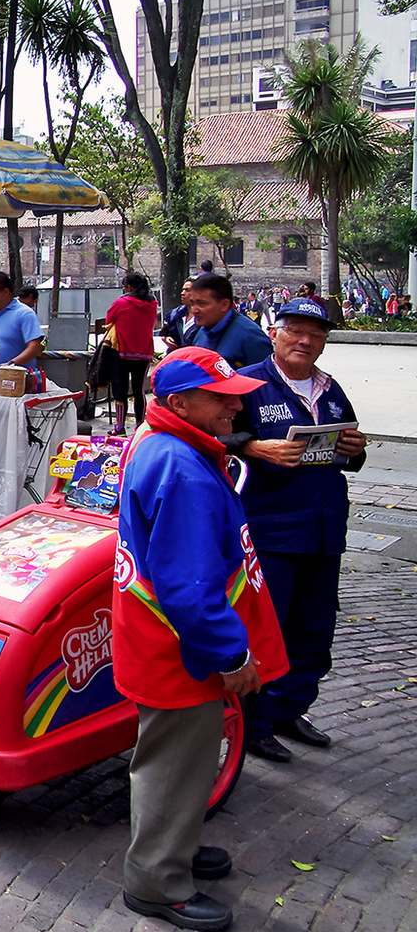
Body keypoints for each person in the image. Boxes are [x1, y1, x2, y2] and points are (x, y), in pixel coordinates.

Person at [113, 346, 286, 932]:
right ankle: (157, 883)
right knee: (173, 765)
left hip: (161, 640)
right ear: (181, 401)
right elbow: (190, 588)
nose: (237, 407)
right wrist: (231, 653)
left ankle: (171, 850)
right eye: (222, 397)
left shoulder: (159, 439)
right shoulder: (182, 467)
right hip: (178, 649)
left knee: (174, 762)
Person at [229, 297, 366, 764]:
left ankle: (289, 709)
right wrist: (254, 447)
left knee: (313, 631)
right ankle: (255, 723)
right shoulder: (247, 384)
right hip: (271, 530)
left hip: (325, 528)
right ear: (274, 333)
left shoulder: (330, 389)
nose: (306, 341)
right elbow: (212, 437)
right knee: (268, 629)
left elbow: (352, 457)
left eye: (317, 334)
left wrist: (356, 446)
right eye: (295, 331)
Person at [106, 272, 159, 435]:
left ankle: (120, 427)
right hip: (144, 353)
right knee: (139, 390)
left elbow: (108, 320)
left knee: (120, 389)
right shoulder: (152, 304)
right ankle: (139, 426)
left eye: (124, 285)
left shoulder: (121, 303)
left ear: (129, 287)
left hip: (123, 352)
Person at [184, 273, 272, 369]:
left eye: (202, 304)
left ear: (224, 305)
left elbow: (266, 379)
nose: (194, 310)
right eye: (192, 303)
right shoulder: (200, 331)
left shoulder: (250, 337)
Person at [0, 272, 44, 372]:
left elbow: (35, 347)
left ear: (5, 292)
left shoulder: (25, 314)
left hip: (19, 381)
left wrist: (11, 365)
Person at [160, 279, 196, 351]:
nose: (182, 293)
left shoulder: (206, 317)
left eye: (187, 290)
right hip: (176, 357)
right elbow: (165, 333)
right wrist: (167, 339)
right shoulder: (175, 314)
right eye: (183, 290)